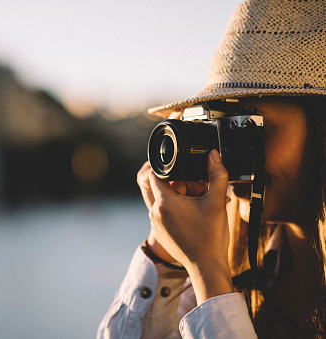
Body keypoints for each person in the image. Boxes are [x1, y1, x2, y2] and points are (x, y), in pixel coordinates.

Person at [97, 0, 326, 338]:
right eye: (221, 129)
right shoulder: (240, 265)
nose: (227, 156)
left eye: (247, 127)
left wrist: (209, 276)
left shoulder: (218, 270)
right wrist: (166, 256)